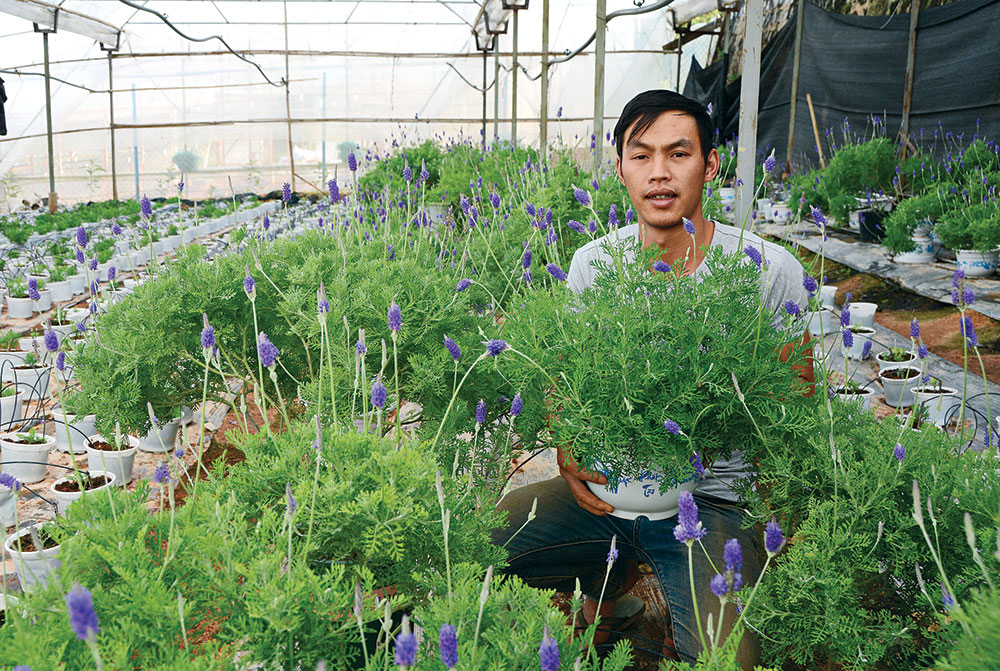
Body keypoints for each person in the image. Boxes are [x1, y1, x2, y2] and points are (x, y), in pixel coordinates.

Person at [492, 90, 814, 668]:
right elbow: (566, 381)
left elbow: (799, 405)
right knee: (482, 542)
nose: (659, 173)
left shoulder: (768, 271)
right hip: (609, 492)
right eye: (640, 155)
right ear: (619, 168)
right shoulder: (593, 266)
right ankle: (609, 595)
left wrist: (779, 516)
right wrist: (567, 450)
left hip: (714, 504)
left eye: (678, 154)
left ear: (711, 165)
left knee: (727, 660)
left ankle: (684, 603)